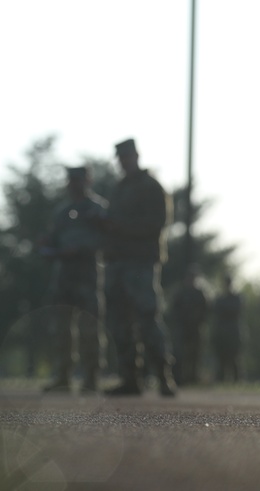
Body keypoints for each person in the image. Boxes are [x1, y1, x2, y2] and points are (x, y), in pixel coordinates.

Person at [97, 139, 177, 397]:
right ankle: (130, 379)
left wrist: (121, 227)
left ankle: (164, 377)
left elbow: (157, 223)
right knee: (119, 323)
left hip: (141, 262)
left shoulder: (150, 187)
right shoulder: (119, 188)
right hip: (118, 263)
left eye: (126, 157)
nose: (123, 162)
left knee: (147, 318)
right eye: (120, 158)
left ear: (136, 156)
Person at [39, 166, 107, 393]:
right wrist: (48, 245)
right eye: (71, 180)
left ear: (87, 180)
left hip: (87, 273)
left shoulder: (97, 208)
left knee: (90, 327)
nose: (74, 184)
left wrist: (79, 248)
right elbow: (53, 239)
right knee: (61, 328)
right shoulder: (62, 211)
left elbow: (105, 239)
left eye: (78, 179)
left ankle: (91, 377)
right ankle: (63, 377)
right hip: (64, 275)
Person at [169, 268, 209, 386]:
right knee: (179, 353)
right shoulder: (180, 293)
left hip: (195, 327)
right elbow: (173, 310)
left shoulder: (200, 293)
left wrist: (200, 321)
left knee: (195, 353)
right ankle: (178, 377)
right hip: (182, 327)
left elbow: (206, 310)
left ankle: (192, 377)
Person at [211, 274, 243, 383]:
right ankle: (221, 379)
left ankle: (236, 380)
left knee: (234, 357)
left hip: (233, 332)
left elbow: (236, 311)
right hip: (222, 332)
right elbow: (215, 312)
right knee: (221, 357)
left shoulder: (236, 298)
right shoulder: (220, 298)